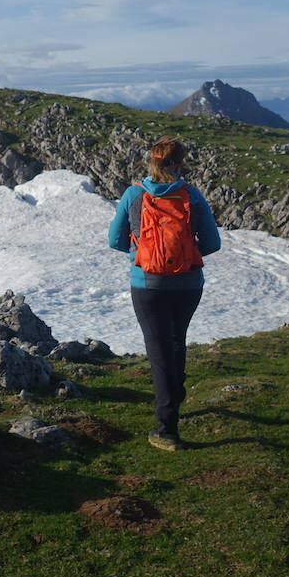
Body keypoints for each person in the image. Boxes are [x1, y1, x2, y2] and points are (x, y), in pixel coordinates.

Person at [107, 136, 221, 452]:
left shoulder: (133, 195)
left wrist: (140, 251)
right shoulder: (192, 197)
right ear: (179, 163)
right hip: (187, 285)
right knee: (176, 340)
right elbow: (212, 243)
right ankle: (175, 392)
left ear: (150, 163)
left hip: (148, 284)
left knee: (158, 351)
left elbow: (114, 240)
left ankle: (166, 428)